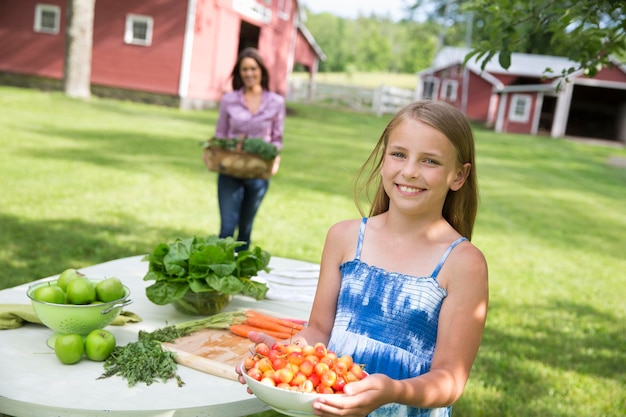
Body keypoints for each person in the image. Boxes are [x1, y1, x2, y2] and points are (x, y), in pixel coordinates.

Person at [237, 100, 489, 417]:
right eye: (399, 154)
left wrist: (393, 391)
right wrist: (282, 358)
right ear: (383, 159)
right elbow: (318, 330)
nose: (410, 171)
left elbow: (450, 381)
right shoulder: (344, 238)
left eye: (430, 161)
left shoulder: (464, 263)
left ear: (459, 176)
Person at [214, 47, 286, 250]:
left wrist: (275, 159)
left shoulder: (276, 102)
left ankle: (240, 278)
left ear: (261, 71)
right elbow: (220, 133)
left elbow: (277, 139)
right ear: (239, 73)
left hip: (258, 172)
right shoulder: (229, 100)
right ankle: (219, 274)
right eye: (244, 69)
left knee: (245, 229)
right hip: (230, 170)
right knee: (227, 228)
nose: (249, 73)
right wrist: (215, 149)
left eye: (253, 68)